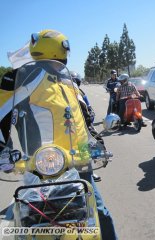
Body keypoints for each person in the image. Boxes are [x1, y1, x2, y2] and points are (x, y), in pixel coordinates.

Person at [1, 29, 118, 240]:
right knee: (26, 224)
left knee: (99, 215)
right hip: (41, 168)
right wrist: (3, 150)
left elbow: (84, 118)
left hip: (78, 163)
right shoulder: (21, 77)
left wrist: (96, 143)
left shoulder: (68, 81)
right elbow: (2, 112)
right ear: (61, 51)